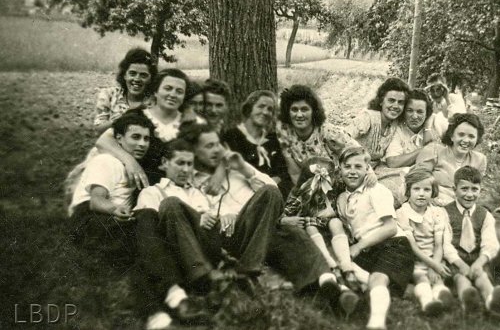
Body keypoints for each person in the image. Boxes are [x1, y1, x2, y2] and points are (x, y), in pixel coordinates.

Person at [181, 123, 360, 315]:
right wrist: (223, 212)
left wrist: (243, 168)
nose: (216, 150)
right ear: (194, 151)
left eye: (218, 145)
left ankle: (329, 284)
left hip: (261, 230)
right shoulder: (189, 178)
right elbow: (197, 211)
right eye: (209, 146)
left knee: (291, 230)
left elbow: (272, 192)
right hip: (230, 234)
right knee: (270, 197)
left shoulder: (236, 168)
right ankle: (249, 269)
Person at [134, 139, 223, 330]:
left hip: (204, 246)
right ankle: (195, 283)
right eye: (180, 163)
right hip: (173, 254)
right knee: (169, 205)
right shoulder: (151, 192)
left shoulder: (200, 193)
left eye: (190, 164)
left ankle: (198, 277)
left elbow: (216, 222)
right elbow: (147, 231)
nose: (185, 169)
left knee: (173, 204)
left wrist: (207, 216)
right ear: (165, 163)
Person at [336, 146, 415, 330]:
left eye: (358, 167)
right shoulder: (341, 198)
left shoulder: (376, 190)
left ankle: (376, 323)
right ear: (340, 169)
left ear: (367, 169)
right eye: (347, 166)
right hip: (368, 250)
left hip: (392, 244)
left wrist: (359, 246)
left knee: (378, 278)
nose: (353, 171)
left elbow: (390, 228)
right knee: (341, 268)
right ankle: (392, 289)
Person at [69, 111, 153, 258]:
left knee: (148, 219)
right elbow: (97, 201)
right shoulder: (107, 161)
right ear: (119, 139)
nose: (142, 144)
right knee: (138, 237)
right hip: (90, 215)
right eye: (135, 137)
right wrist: (115, 210)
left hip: (113, 216)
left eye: (146, 139)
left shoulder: (130, 165)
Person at [280, 156, 366, 293]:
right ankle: (332, 266)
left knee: (336, 222)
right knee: (309, 224)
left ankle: (347, 267)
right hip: (311, 223)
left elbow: (355, 180)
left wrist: (370, 175)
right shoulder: (300, 192)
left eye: (326, 179)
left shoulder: (336, 186)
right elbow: (286, 214)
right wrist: (285, 220)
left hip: (332, 222)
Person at [96, 68, 192, 188]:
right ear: (156, 92)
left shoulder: (190, 124)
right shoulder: (137, 114)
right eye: (167, 88)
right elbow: (103, 141)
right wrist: (130, 161)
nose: (172, 94)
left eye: (179, 91)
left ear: (184, 97)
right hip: (140, 188)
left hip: (179, 190)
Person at [441, 166, 500, 317]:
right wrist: (460, 264)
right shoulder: (444, 212)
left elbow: (490, 243)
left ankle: (493, 302)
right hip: (455, 260)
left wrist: (480, 262)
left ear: (480, 190)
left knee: (482, 277)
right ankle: (469, 303)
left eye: (474, 189)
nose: (469, 194)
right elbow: (445, 244)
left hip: (478, 259)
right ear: (454, 189)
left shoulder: (485, 215)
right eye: (464, 189)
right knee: (460, 278)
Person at [396, 166, 454, 316]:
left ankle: (441, 296)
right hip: (414, 259)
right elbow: (412, 247)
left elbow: (439, 244)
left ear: (433, 192)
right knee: (420, 277)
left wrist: (435, 265)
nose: (421, 194)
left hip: (435, 257)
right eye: (416, 189)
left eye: (426, 190)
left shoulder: (437, 212)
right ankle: (427, 301)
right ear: (408, 191)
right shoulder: (402, 213)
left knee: (437, 278)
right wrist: (433, 265)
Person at [277, 85, 360, 185]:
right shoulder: (286, 136)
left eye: (304, 109)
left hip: (343, 184)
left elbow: (358, 154)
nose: (299, 115)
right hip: (312, 189)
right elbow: (295, 174)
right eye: (294, 109)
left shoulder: (328, 132)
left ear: (313, 112)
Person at [221, 90, 292, 198]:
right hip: (241, 198)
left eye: (270, 109)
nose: (265, 112)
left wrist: (269, 185)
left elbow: (283, 174)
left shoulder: (272, 140)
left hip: (272, 195)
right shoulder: (231, 137)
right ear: (249, 108)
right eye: (261, 106)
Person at [416, 113, 487, 205]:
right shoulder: (433, 150)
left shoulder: (480, 160)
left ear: (477, 139)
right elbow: (417, 181)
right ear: (452, 136)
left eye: (471, 136)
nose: (465, 140)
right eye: (461, 135)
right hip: (430, 203)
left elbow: (475, 191)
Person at [347, 77, 410, 170]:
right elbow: (342, 138)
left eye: (400, 102)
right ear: (381, 101)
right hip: (351, 168)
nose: (396, 106)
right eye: (391, 100)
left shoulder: (395, 123)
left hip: (373, 170)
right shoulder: (368, 117)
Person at [94, 48, 157, 134]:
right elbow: (99, 129)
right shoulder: (109, 95)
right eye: (132, 73)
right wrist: (126, 117)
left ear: (150, 79)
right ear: (124, 75)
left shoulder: (155, 100)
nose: (137, 79)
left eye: (143, 75)